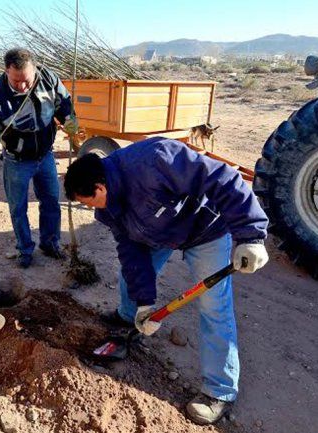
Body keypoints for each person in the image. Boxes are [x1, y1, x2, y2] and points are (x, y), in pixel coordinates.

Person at [63, 137, 269, 425]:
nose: (92, 209)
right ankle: (131, 318)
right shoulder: (107, 208)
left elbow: (222, 178)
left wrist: (251, 236)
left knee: (214, 308)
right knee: (129, 277)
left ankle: (219, 391)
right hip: (156, 232)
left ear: (100, 187)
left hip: (204, 231)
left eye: (89, 202)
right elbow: (131, 251)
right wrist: (145, 303)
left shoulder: (156, 160)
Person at [0, 48, 77, 268]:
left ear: (35, 69)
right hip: (16, 160)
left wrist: (69, 118)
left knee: (51, 202)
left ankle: (50, 243)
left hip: (45, 155)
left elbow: (63, 102)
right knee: (18, 208)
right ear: (6, 72)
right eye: (16, 81)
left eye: (27, 80)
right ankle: (25, 250)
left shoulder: (48, 79)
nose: (22, 86)